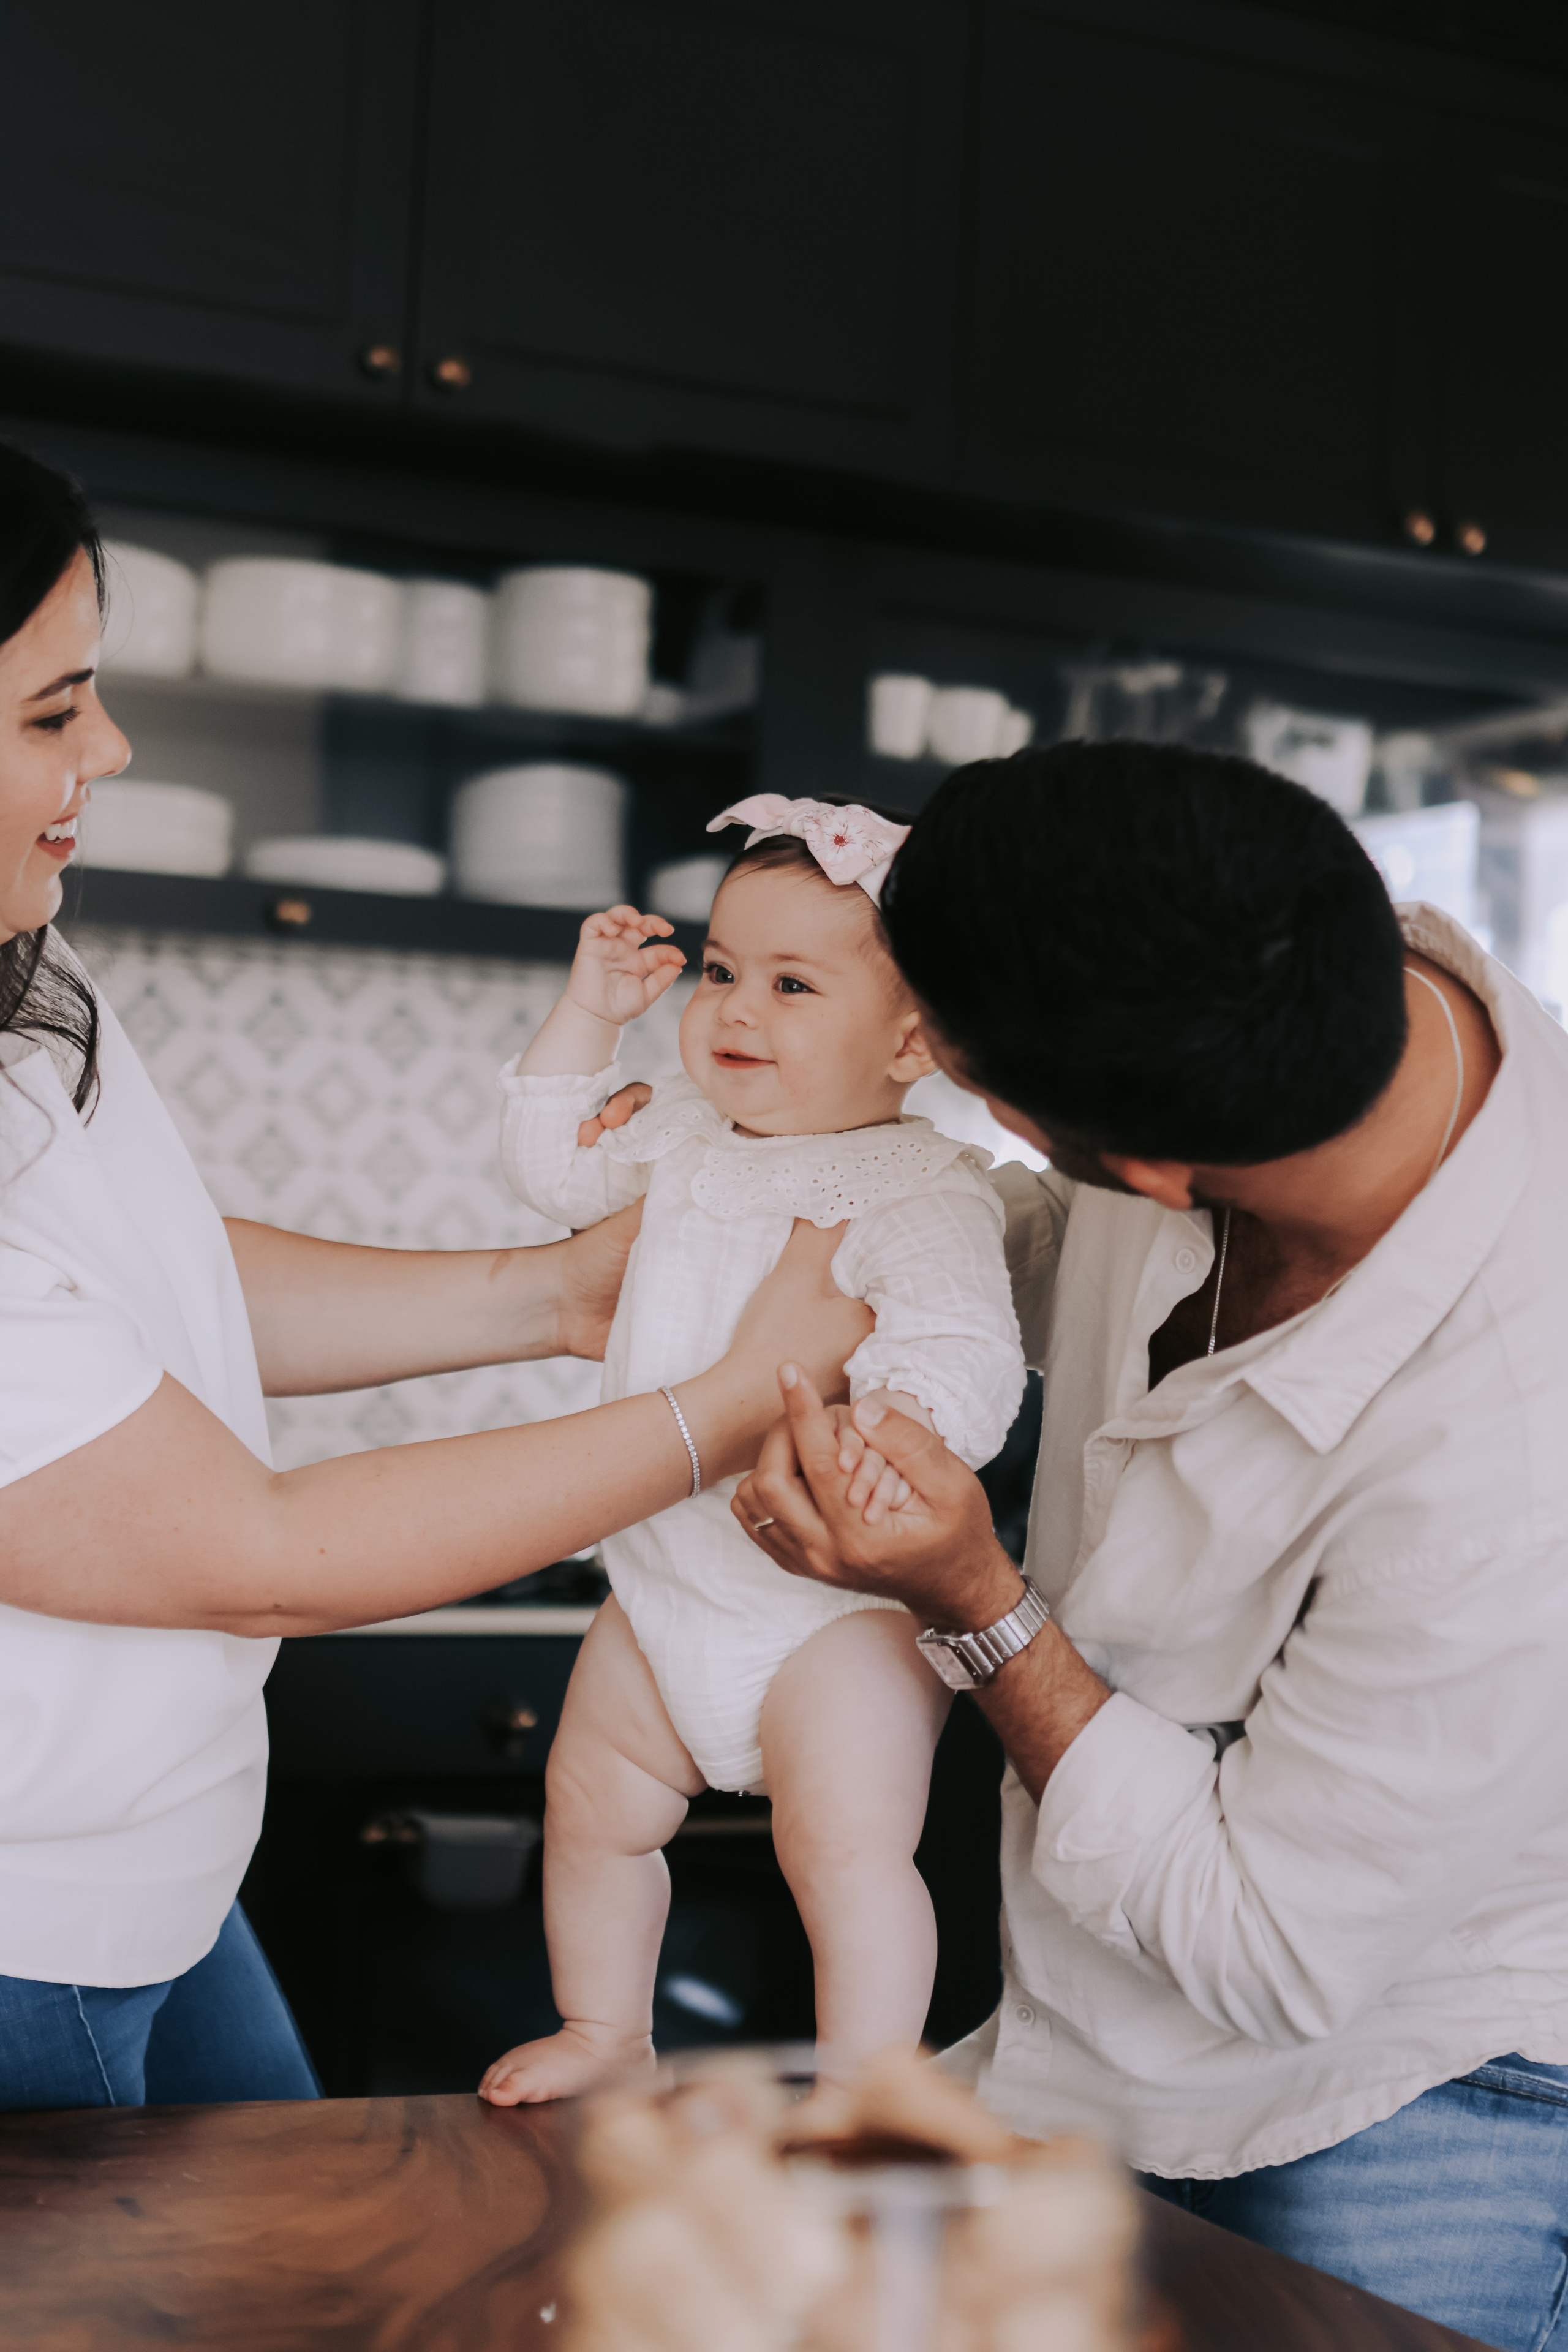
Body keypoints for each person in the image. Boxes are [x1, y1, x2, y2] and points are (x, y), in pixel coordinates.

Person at [0, 443, 869, 2114]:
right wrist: (720, 1404)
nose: (110, 748)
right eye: (52, 713)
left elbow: (149, 1279)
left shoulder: (26, 975)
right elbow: (262, 1554)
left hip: (166, 1886)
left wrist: (552, 1295)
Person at [733, 741, 1568, 2352]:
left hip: (1408, 2104)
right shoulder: (1265, 988)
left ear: (1149, 1170)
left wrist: (971, 1601)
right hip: (1088, 2035)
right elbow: (1030, 1249)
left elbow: (1271, 1946)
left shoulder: (1513, 1453)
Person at [478, 794, 1023, 2103]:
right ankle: (608, 2035)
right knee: (592, 1808)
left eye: (789, 984)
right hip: (664, 1582)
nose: (732, 1010)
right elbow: (548, 1175)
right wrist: (590, 1014)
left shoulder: (920, 1188)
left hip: (827, 1604)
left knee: (842, 1853)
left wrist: (893, 1436)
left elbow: (965, 1350)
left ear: (914, 1042)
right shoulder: (674, 1135)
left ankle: (865, 2093)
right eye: (719, 971)